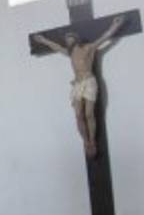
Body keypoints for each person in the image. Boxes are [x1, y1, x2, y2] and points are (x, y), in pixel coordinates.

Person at [32, 15, 125, 157]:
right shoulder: (69, 53)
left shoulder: (88, 48)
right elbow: (56, 47)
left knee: (88, 114)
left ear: (76, 39)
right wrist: (43, 40)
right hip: (77, 84)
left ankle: (92, 140)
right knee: (78, 116)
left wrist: (115, 26)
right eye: (67, 40)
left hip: (88, 82)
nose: (67, 41)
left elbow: (105, 38)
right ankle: (86, 141)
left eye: (70, 38)